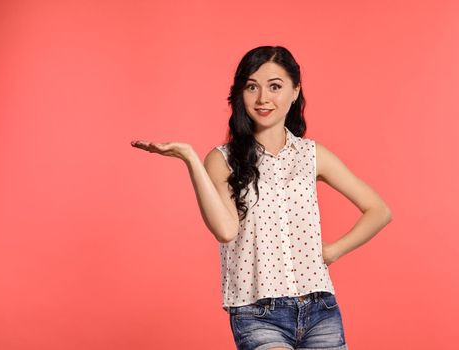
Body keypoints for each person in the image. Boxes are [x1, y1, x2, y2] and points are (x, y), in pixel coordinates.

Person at [131, 45, 392, 350]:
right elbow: (226, 230)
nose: (263, 98)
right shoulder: (222, 159)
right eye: (252, 87)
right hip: (257, 313)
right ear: (240, 93)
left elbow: (379, 210)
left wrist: (333, 251)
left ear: (295, 92)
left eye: (275, 87)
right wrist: (190, 158)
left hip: (320, 307)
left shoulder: (311, 155)